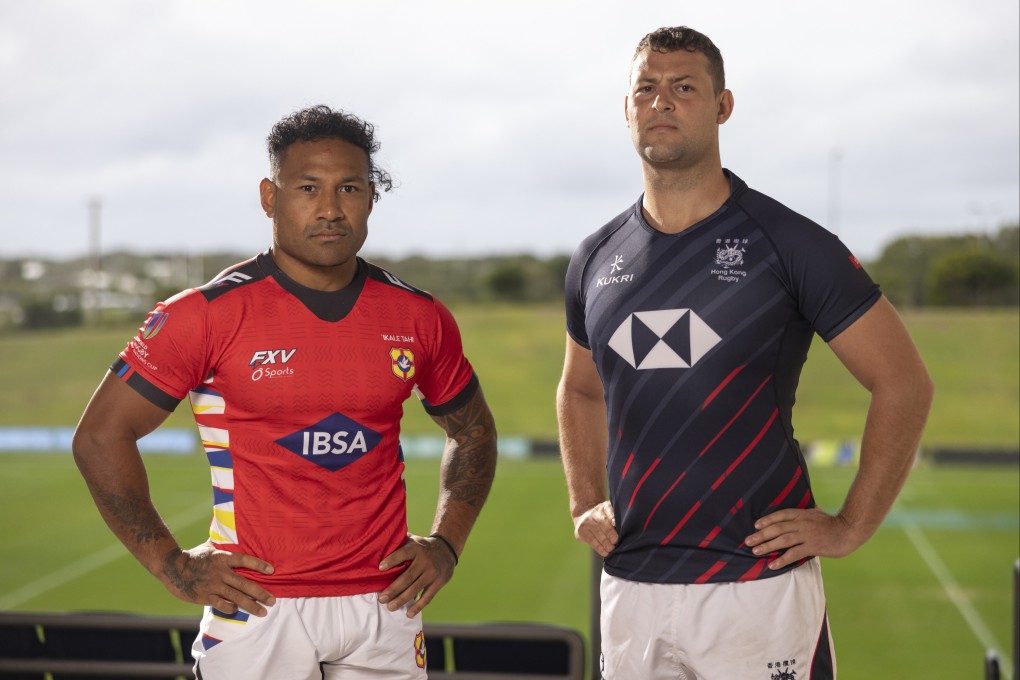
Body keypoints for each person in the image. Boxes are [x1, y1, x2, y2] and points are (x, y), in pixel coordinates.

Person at [556, 26, 933, 680]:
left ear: (723, 105)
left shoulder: (789, 243)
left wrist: (850, 525)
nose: (661, 103)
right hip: (632, 584)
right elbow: (579, 389)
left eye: (684, 88)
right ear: (626, 109)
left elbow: (903, 382)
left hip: (757, 586)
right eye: (646, 89)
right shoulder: (595, 256)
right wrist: (584, 498)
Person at [72, 105, 498, 679]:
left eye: (349, 187)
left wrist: (446, 545)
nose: (329, 208)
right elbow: (100, 436)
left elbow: (473, 429)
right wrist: (170, 564)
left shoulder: (418, 315)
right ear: (270, 197)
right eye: (307, 188)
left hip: (387, 605)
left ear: (371, 197)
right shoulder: (203, 315)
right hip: (257, 606)